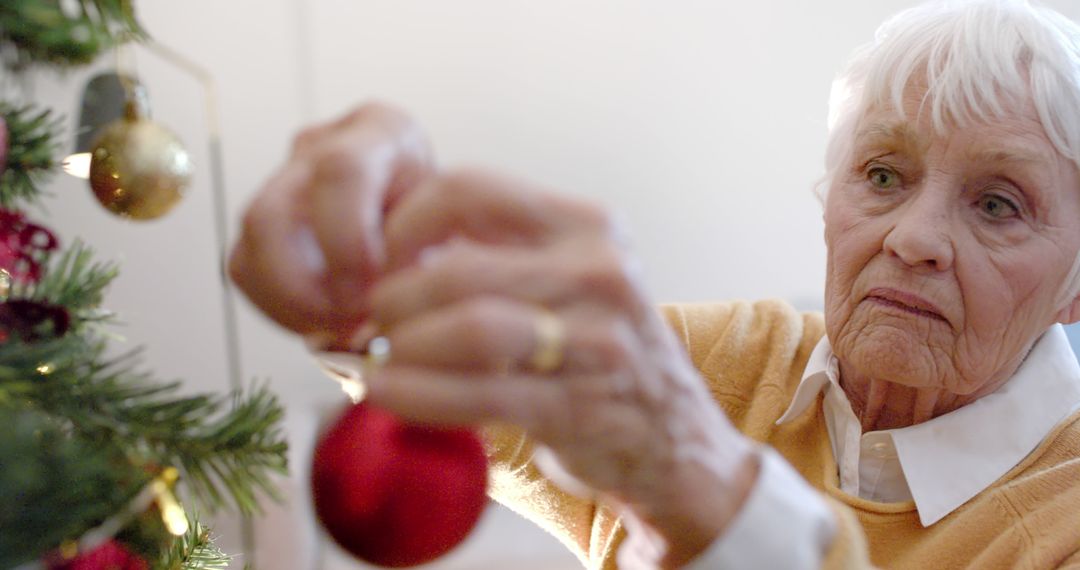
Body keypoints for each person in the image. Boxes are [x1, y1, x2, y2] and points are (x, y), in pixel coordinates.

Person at [227, 0, 1080, 567]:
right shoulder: (725, 364)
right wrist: (368, 249)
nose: (915, 236)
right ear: (830, 200)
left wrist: (704, 488)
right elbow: (472, 374)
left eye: (999, 203)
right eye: (884, 176)